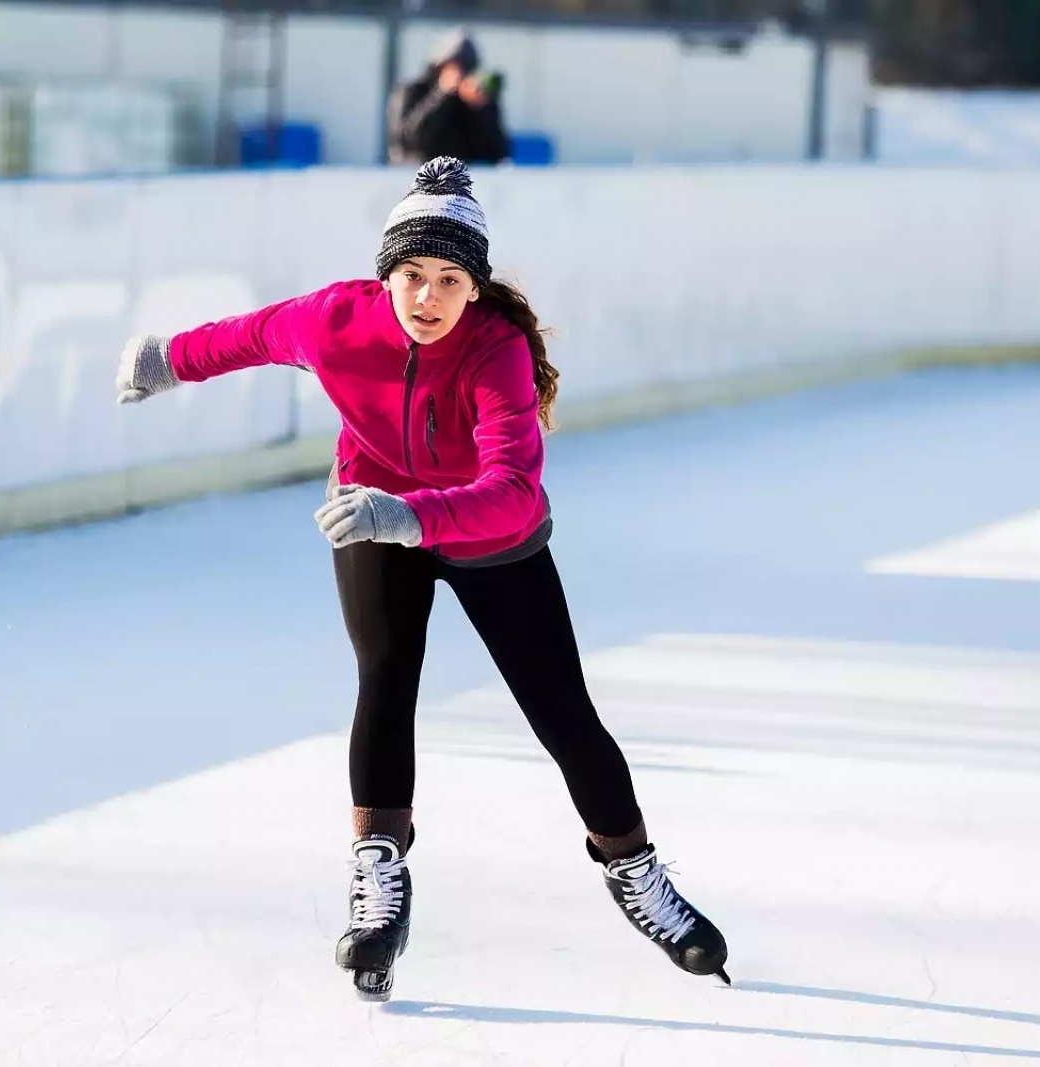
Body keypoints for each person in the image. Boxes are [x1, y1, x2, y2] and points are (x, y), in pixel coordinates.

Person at [113, 156, 729, 1001]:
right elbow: (251, 335)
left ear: (475, 289)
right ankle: (378, 882)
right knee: (386, 677)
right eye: (410, 276)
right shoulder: (336, 320)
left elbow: (512, 488)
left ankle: (635, 872)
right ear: (386, 275)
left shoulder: (496, 353)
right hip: (371, 512)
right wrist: (165, 359)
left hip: (488, 534)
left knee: (561, 710)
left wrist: (411, 516)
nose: (426, 298)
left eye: (448, 280)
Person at [387, 29, 510, 166]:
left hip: (460, 178)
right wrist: (442, 95)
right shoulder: (412, 91)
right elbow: (408, 139)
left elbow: (497, 152)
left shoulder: (475, 101)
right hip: (416, 176)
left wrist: (481, 110)